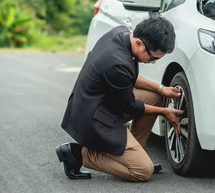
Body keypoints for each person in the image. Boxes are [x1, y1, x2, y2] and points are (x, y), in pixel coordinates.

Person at [55, 17, 183, 182]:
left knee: (157, 97)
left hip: (101, 103)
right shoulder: (116, 62)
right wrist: (164, 112)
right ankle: (79, 154)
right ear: (138, 44)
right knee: (143, 171)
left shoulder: (121, 33)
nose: (152, 62)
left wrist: (161, 88)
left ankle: (133, 154)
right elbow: (130, 105)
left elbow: (128, 77)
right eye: (153, 58)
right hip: (93, 118)